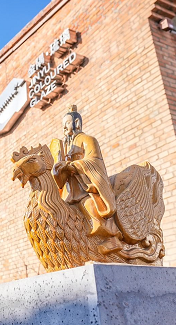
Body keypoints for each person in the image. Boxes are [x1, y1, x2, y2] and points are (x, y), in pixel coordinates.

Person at [51, 107, 123, 254]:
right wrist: (59, 169)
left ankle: (113, 238)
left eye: (67, 123)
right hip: (70, 191)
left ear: (77, 123)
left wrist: (73, 165)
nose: (64, 128)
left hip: (86, 187)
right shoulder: (66, 146)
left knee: (90, 207)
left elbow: (94, 161)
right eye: (63, 125)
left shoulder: (88, 140)